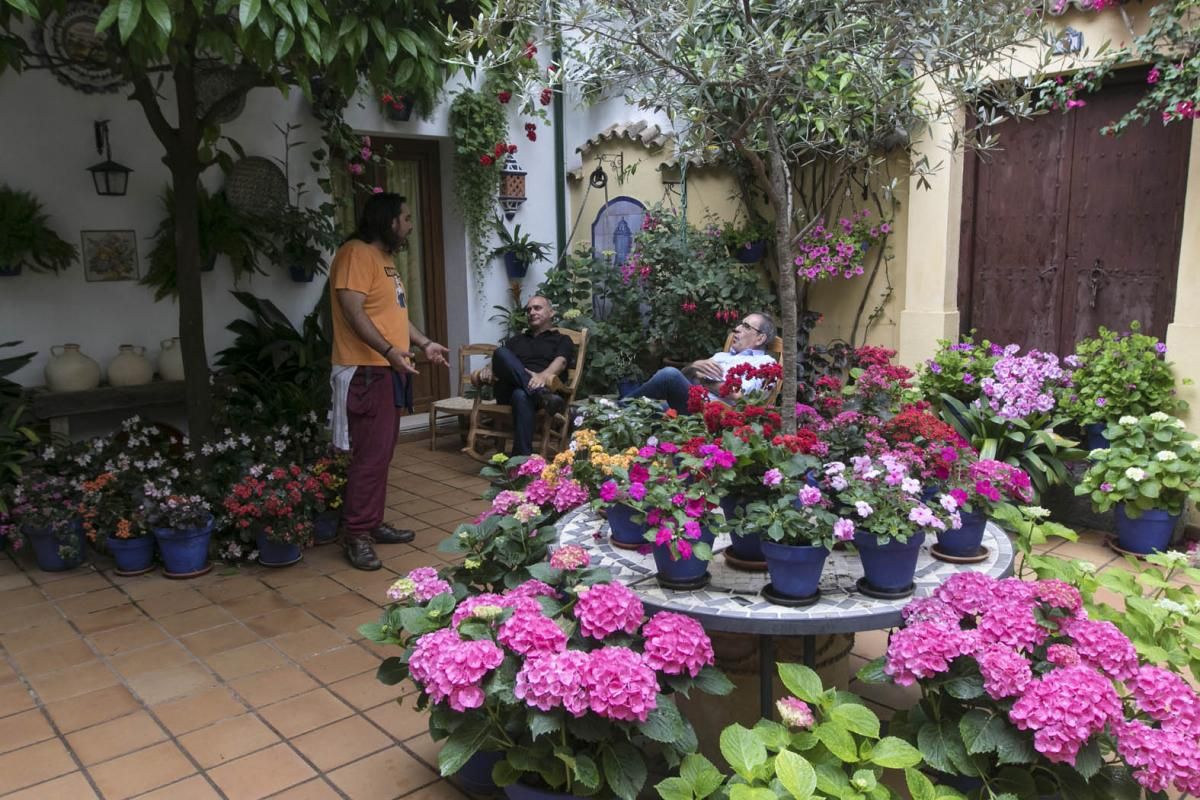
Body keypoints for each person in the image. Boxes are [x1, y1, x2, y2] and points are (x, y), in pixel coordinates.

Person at [329, 192, 449, 571]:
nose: (410, 225)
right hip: (365, 370)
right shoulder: (355, 253)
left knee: (381, 455)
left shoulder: (386, 261)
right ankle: (357, 534)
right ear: (389, 221)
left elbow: (395, 316)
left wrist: (424, 343)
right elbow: (352, 312)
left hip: (386, 369)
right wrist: (387, 351)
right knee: (369, 456)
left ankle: (372, 522)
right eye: (407, 218)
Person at [471, 295, 573, 456]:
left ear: (551, 312)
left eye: (537, 308)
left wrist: (542, 376)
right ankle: (542, 396)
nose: (531, 312)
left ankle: (521, 460)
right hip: (510, 392)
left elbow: (561, 362)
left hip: (538, 388)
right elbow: (502, 361)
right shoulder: (516, 340)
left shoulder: (562, 339)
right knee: (500, 352)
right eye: (529, 309)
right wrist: (489, 368)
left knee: (521, 395)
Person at [626, 312, 778, 413]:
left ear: (760, 338)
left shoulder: (765, 364)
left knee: (669, 374)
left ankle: (616, 409)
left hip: (715, 412)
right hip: (690, 402)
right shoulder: (723, 356)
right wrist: (692, 368)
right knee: (647, 408)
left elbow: (739, 396)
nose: (736, 329)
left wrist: (702, 380)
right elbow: (685, 376)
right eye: (740, 324)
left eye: (745, 326)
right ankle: (616, 413)